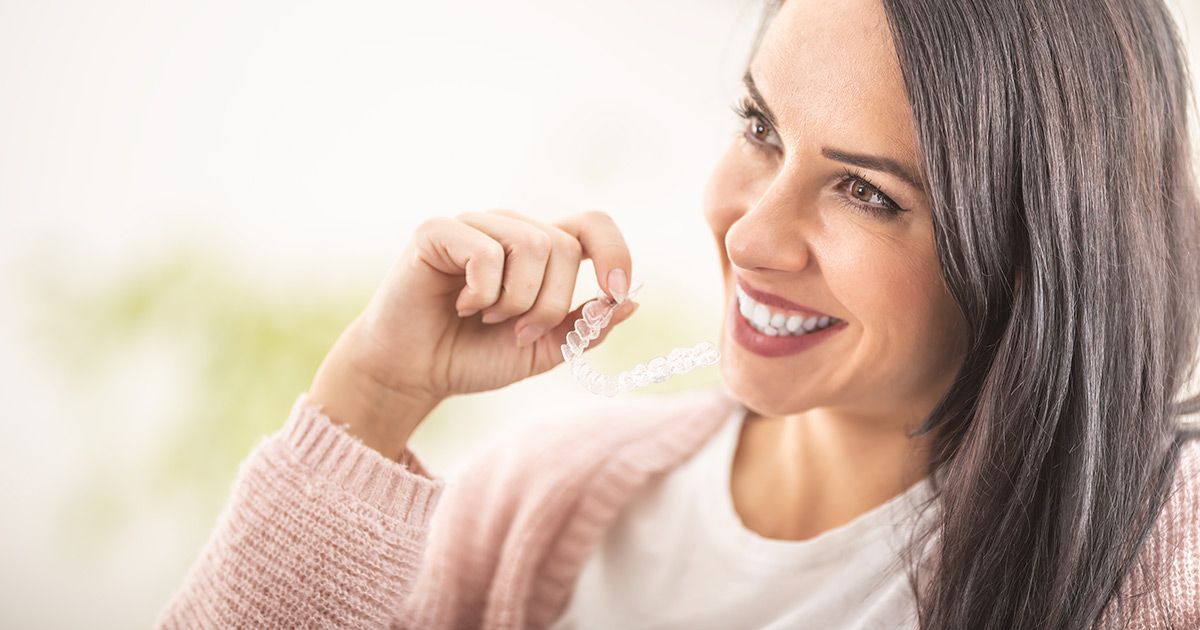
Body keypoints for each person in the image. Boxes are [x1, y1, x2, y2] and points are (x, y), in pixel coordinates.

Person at [157, 0, 1200, 627]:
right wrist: (371, 399)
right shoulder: (544, 502)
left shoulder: (1163, 555)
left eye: (867, 192)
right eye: (760, 127)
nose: (749, 236)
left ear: (1033, 252)